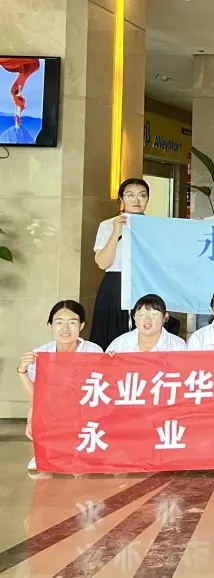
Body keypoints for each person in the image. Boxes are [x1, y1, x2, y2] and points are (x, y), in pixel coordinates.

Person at [18, 301, 102, 471]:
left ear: (81, 326)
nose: (65, 329)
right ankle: (45, 452)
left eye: (72, 322)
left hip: (85, 410)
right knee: (40, 410)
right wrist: (22, 371)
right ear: (50, 326)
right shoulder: (40, 355)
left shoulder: (93, 351)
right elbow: (36, 398)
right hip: (54, 412)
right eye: (59, 322)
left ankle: (83, 450)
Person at [91, 177, 149, 346]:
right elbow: (102, 263)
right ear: (121, 199)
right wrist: (116, 233)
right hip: (115, 284)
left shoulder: (155, 226)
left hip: (145, 283)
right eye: (130, 195)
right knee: (111, 335)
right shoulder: (107, 225)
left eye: (142, 195)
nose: (137, 200)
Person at [107, 294, 187, 352]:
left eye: (154, 314)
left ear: (165, 317)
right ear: (134, 317)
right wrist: (109, 360)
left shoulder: (177, 345)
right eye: (142, 315)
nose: (147, 319)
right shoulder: (119, 344)